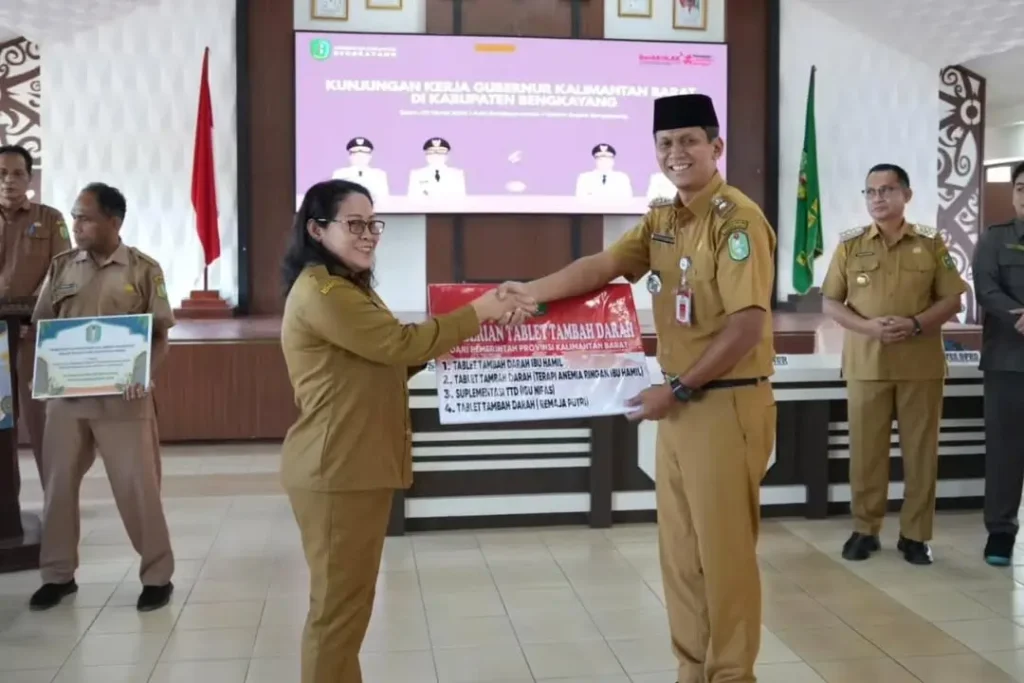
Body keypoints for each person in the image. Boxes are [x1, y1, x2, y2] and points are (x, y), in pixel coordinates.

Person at [499, 94, 776, 683]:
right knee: (680, 555)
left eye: (689, 141)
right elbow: (601, 266)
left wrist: (675, 389)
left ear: (716, 146)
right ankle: (691, 668)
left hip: (723, 402)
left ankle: (731, 674)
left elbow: (748, 324)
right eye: (665, 144)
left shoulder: (737, 219)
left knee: (724, 557)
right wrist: (528, 292)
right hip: (678, 406)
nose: (677, 153)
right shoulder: (662, 218)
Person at [279, 179, 533, 683]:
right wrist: (478, 311)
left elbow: (389, 361)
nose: (369, 234)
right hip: (337, 471)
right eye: (354, 224)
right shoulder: (324, 292)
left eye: (373, 224)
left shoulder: (348, 288)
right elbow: (398, 345)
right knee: (336, 615)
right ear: (316, 229)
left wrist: (478, 329)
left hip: (356, 465)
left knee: (347, 610)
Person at [29, 182, 176, 612]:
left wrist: (145, 374)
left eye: (86, 217)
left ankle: (157, 577)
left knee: (138, 490)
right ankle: (58, 576)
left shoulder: (143, 270)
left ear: (114, 221)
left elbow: (160, 336)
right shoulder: (61, 267)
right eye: (75, 216)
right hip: (67, 399)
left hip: (124, 399)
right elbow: (44, 328)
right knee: (56, 489)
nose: (76, 225)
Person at [821, 163, 966, 566]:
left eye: (886, 190)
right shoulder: (850, 246)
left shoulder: (932, 243)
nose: (878, 198)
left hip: (920, 365)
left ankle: (915, 536)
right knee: (866, 453)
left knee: (921, 454)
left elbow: (953, 299)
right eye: (870, 192)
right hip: (867, 364)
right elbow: (830, 302)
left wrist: (917, 323)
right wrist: (868, 327)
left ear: (907, 194)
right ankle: (865, 530)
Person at [0, 144, 72, 490]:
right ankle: (6, 501)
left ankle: (56, 496)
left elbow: (62, 273)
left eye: (17, 174)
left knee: (43, 419)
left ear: (29, 178)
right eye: (2, 174)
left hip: (34, 334)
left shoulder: (50, 218)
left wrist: (38, 319)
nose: (8, 181)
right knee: (1, 421)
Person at [972, 160, 1024, 566]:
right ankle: (1001, 534)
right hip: (1008, 360)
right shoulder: (995, 240)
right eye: (1021, 188)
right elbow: (986, 288)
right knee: (1006, 451)